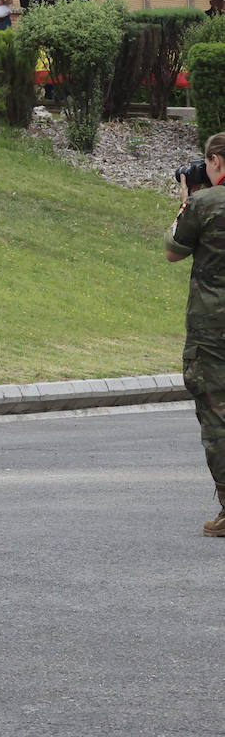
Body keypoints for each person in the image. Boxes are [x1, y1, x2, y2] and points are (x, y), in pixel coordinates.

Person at [164, 132, 225, 536]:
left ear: (216, 162)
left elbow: (173, 249)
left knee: (218, 418)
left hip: (212, 329)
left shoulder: (204, 204)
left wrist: (186, 198)